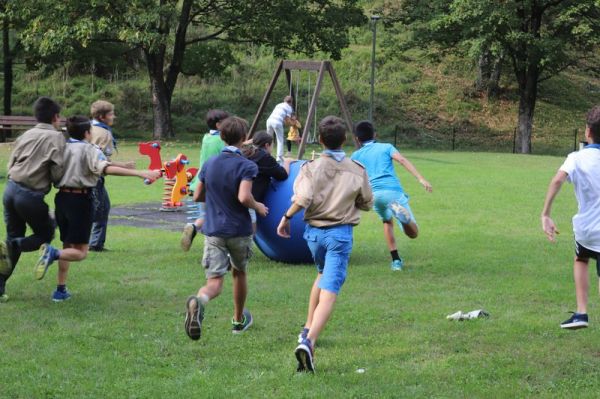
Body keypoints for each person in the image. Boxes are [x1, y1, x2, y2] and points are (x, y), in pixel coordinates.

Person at [277, 116, 373, 373]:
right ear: (345, 140)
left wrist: (286, 217)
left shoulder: (310, 167)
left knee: (320, 276)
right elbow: (367, 202)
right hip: (339, 236)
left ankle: (307, 328)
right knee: (330, 290)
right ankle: (309, 343)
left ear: (319, 140)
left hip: (314, 236)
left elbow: (304, 197)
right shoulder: (357, 168)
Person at [33, 116, 160, 301]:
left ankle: (60, 290)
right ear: (87, 133)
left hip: (61, 199)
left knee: (68, 244)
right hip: (81, 201)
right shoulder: (90, 149)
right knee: (81, 252)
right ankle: (52, 253)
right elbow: (105, 168)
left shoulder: (61, 148)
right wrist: (140, 173)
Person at [184, 116, 268, 341]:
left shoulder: (210, 163)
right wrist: (258, 206)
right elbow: (244, 196)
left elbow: (198, 196)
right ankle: (238, 320)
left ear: (222, 136)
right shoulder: (247, 165)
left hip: (213, 231)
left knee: (214, 282)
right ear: (244, 138)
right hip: (238, 230)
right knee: (239, 273)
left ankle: (200, 301)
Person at [0, 97, 65, 303]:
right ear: (56, 117)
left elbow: (10, 164)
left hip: (10, 189)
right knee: (46, 233)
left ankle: (0, 287)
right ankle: (13, 244)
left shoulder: (26, 134)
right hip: (30, 194)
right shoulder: (56, 138)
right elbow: (57, 172)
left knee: (11, 240)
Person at [541, 105, 600, 330]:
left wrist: (545, 213)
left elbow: (557, 180)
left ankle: (582, 312)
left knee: (581, 259)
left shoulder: (576, 157)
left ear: (587, 132)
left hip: (585, 230)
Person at [351, 120, 432, 271]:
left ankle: (396, 261)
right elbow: (401, 160)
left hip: (374, 196)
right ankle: (404, 218)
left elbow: (352, 177)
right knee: (413, 233)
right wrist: (420, 178)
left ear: (357, 139)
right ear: (375, 134)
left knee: (387, 222)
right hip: (393, 192)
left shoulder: (355, 155)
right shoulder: (386, 147)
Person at [88, 100, 135, 252]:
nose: (114, 116)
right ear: (102, 117)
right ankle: (94, 243)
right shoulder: (104, 134)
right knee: (97, 209)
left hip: (81, 175)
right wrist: (125, 167)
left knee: (98, 207)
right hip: (94, 177)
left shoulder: (88, 127)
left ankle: (94, 242)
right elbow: (102, 162)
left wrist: (123, 164)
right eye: (111, 114)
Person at [181, 109, 230, 252]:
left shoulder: (206, 138)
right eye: (227, 123)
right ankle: (218, 245)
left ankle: (194, 226)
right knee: (221, 214)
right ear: (219, 124)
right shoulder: (221, 141)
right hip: (215, 184)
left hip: (199, 183)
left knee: (205, 215)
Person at [242, 130, 291, 230]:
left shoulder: (247, 154)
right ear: (267, 145)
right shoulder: (265, 158)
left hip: (239, 197)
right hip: (249, 201)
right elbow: (283, 175)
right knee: (249, 233)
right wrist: (287, 162)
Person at [266, 95, 294, 163]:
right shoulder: (289, 108)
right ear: (291, 102)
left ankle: (267, 154)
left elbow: (282, 117)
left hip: (269, 121)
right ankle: (279, 158)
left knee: (268, 139)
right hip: (277, 122)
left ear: (284, 100)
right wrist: (293, 124)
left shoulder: (279, 104)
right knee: (280, 140)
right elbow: (287, 121)